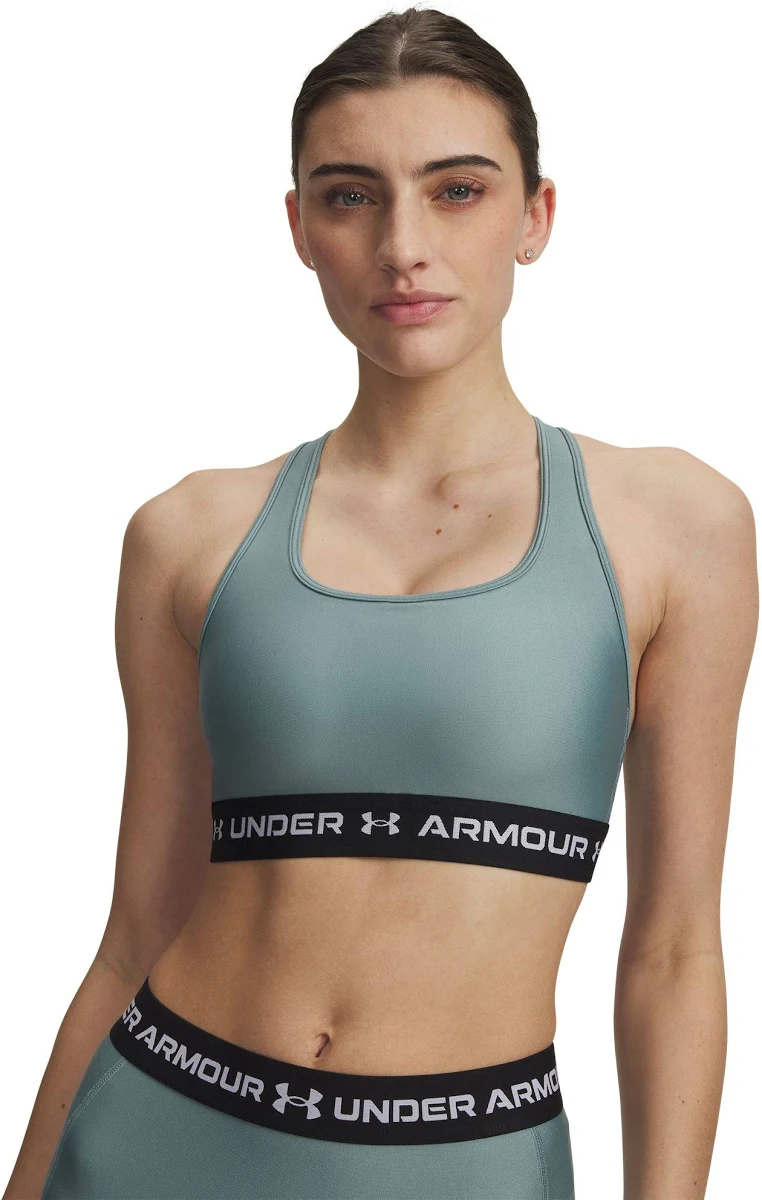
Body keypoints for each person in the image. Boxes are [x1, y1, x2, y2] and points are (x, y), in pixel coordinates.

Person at [5, 8, 758, 1200]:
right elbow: (135, 928)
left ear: (536, 217)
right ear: (300, 228)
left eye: (457, 190)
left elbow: (673, 950)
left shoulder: (676, 527)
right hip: (156, 1132)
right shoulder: (188, 535)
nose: (404, 245)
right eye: (352, 196)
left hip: (465, 1163)